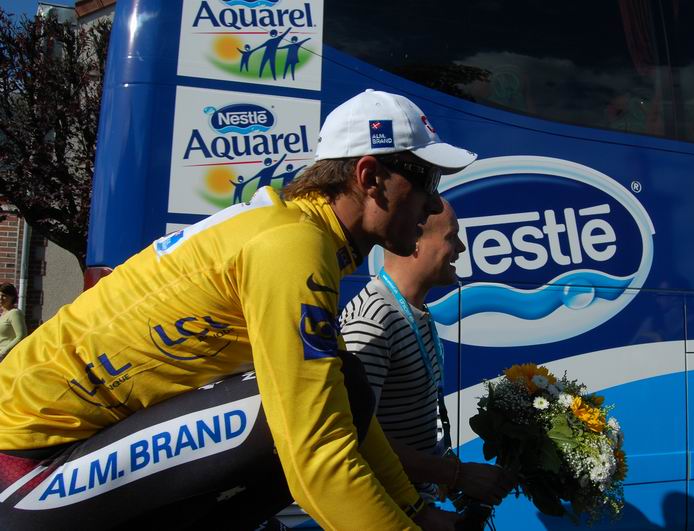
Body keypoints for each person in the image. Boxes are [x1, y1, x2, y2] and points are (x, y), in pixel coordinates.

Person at [0, 89, 477, 530]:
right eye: (426, 179)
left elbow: (340, 402)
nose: (435, 202)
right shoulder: (292, 246)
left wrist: (414, 509)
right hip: (28, 462)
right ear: (370, 178)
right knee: (300, 419)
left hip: (55, 448)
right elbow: (317, 456)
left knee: (340, 380)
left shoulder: (296, 231)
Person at [340, 200, 515, 511]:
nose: (461, 247)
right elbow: (356, 440)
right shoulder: (372, 320)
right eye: (451, 236)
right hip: (384, 512)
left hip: (414, 506)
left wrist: (442, 469)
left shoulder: (413, 312)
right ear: (414, 241)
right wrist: (455, 474)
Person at [0, 283, 26, 362]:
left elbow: (21, 336)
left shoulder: (14, 313)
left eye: (4, 295)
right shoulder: (2, 315)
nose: (1, 298)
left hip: (9, 358)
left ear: (12, 297)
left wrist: (3, 353)